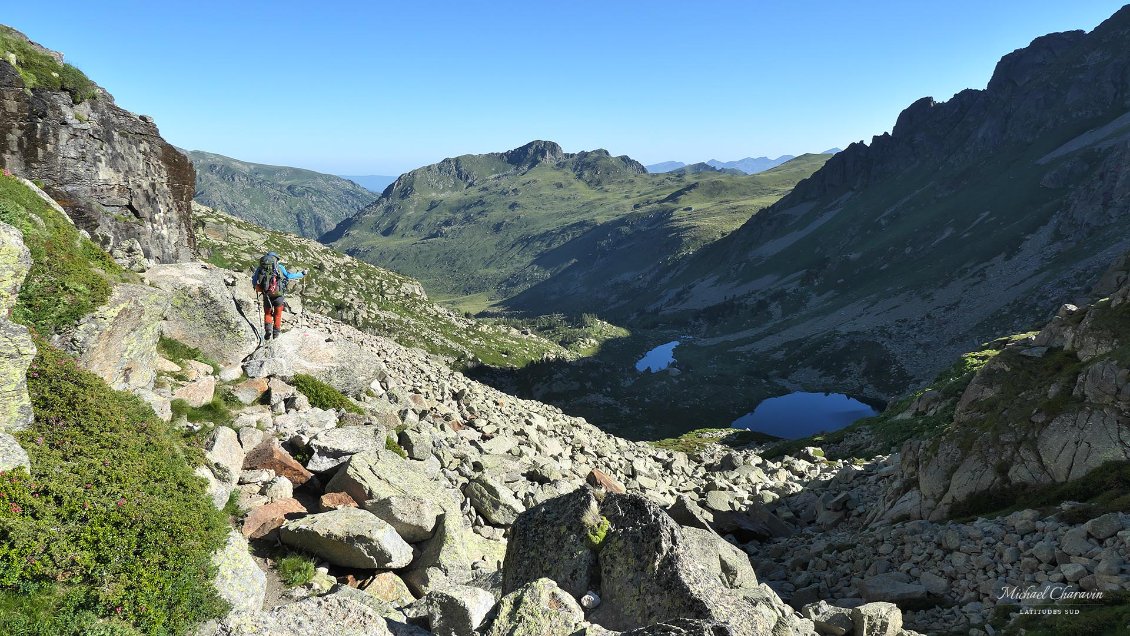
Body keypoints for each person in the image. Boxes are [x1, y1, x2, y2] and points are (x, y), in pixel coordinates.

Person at [251, 252, 307, 341]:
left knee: (268, 313)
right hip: (279, 295)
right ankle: (276, 334)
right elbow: (289, 276)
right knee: (278, 315)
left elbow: (254, 281)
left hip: (267, 294)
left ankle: (268, 330)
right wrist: (302, 274)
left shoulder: (261, 268)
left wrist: (257, 288)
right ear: (276, 259)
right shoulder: (279, 267)